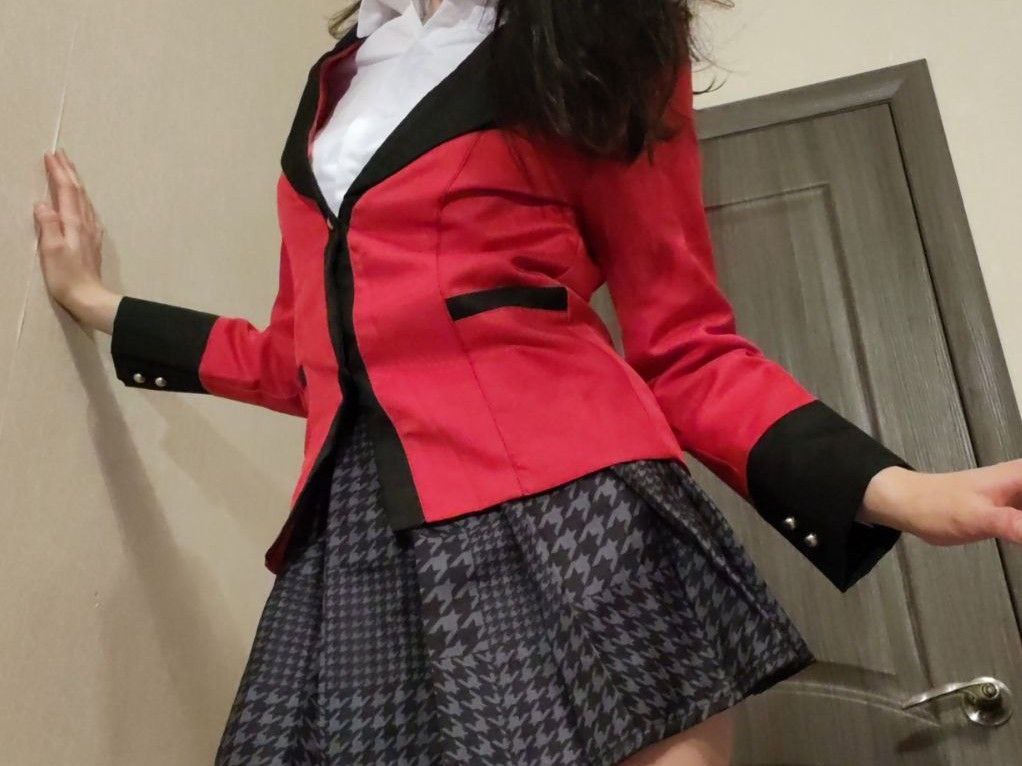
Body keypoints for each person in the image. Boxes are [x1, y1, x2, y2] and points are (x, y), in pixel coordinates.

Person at [33, 0, 1022, 763]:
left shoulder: (600, 43)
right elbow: (301, 360)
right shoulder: (335, 82)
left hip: (573, 516)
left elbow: (687, 346)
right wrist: (100, 303)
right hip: (354, 542)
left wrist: (897, 490)